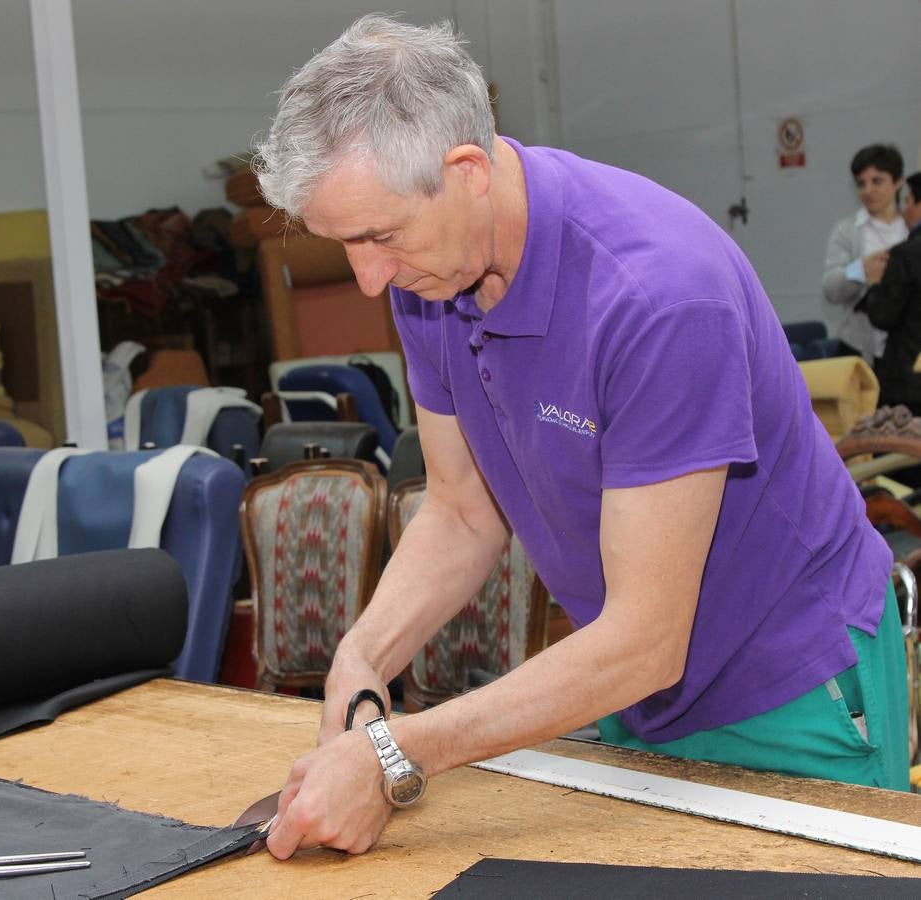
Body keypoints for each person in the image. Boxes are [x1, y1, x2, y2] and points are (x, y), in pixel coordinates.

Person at [251, 15, 909, 859]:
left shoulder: (658, 297)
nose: (367, 278)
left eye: (377, 237)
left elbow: (645, 638)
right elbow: (459, 513)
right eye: (345, 243)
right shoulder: (429, 274)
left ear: (465, 171)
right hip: (626, 688)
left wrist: (392, 751)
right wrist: (362, 656)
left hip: (786, 685)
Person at [822, 144, 907, 366]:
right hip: (859, 348)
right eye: (861, 183)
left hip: (906, 348)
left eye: (877, 181)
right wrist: (860, 270)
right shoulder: (847, 230)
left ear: (898, 182)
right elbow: (830, 290)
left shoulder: (912, 229)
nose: (868, 190)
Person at [860, 172, 921, 414]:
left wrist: (874, 284)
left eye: (908, 201)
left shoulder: (906, 254)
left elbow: (884, 315)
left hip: (909, 382)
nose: (904, 210)